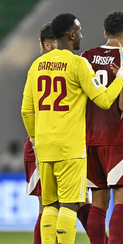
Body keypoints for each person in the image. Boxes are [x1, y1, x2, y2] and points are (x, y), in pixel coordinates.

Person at [21, 13, 123, 244]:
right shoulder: (81, 62)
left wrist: (33, 137)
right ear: (71, 34)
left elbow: (25, 111)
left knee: (50, 205)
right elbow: (108, 101)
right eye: (79, 31)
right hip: (78, 145)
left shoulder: (42, 64)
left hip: (54, 144)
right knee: (74, 205)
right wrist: (122, 75)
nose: (82, 35)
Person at [79, 11, 123, 244]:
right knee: (122, 200)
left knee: (98, 203)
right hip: (117, 136)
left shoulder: (85, 57)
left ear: (105, 33)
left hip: (90, 137)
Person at [23, 22, 56, 244]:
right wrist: (36, 140)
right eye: (59, 43)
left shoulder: (35, 69)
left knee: (64, 205)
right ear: (47, 45)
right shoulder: (38, 68)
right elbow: (26, 111)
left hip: (53, 143)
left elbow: (27, 110)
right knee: (48, 206)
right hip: (41, 144)